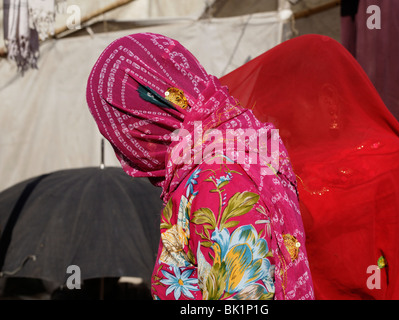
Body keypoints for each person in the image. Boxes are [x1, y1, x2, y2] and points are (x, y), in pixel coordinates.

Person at [86, 33, 314, 300]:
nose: (125, 154)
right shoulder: (239, 141)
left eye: (120, 132)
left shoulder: (217, 177)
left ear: (144, 119)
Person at [221, 34, 399, 299]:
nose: (273, 124)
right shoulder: (275, 171)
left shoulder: (389, 163)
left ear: (328, 100)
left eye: (286, 110)